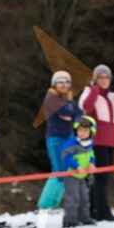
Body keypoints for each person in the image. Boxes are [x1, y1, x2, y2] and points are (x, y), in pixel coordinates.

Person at [79, 64, 114, 221]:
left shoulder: (113, 96)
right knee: (101, 178)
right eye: (100, 77)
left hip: (112, 140)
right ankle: (103, 211)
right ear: (95, 79)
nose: (104, 80)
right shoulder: (89, 92)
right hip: (98, 140)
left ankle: (91, 209)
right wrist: (95, 88)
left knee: (103, 177)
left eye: (107, 77)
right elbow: (86, 106)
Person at [38, 70, 83, 210]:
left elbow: (78, 114)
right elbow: (66, 112)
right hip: (55, 138)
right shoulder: (51, 97)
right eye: (60, 82)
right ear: (54, 84)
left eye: (66, 82)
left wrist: (72, 117)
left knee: (68, 170)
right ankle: (45, 204)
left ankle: (54, 203)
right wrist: (70, 115)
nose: (63, 85)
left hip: (68, 137)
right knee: (58, 171)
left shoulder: (69, 100)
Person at [61, 116, 97, 228]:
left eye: (85, 131)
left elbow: (92, 155)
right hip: (72, 175)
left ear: (91, 132)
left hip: (82, 176)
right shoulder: (72, 142)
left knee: (84, 197)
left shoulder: (89, 144)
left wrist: (92, 163)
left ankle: (84, 218)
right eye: (80, 130)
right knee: (74, 198)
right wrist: (76, 166)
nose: (82, 133)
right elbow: (65, 155)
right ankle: (69, 220)